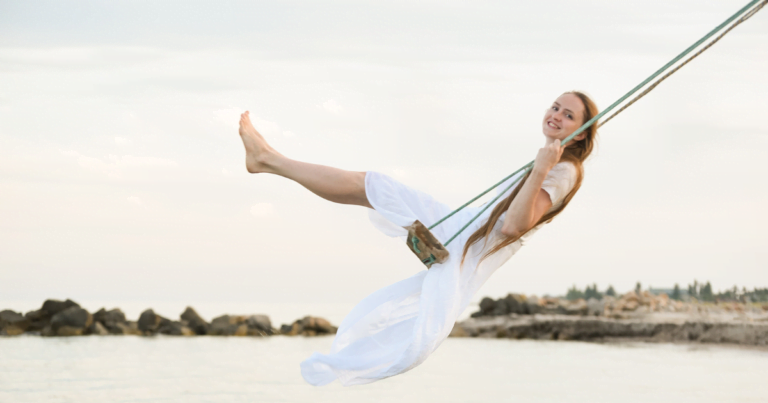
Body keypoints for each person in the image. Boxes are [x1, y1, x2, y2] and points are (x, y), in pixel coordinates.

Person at [237, 91, 599, 386]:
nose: (556, 115)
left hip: (466, 245)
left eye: (568, 115)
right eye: (555, 106)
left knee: (371, 186)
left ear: (580, 133)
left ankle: (268, 159)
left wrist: (541, 168)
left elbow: (512, 227)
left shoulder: (564, 170)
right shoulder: (555, 162)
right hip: (464, 230)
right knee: (370, 186)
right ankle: (268, 160)